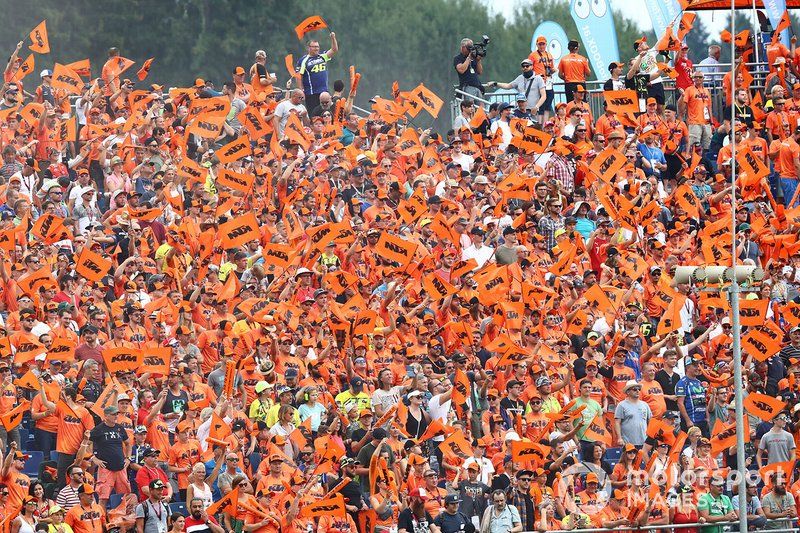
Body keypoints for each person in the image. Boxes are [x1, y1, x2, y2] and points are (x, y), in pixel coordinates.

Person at [89, 404, 131, 508]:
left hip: (121, 467)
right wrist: (93, 458)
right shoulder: (98, 429)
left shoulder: (120, 428)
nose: (116, 416)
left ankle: (122, 521)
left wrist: (128, 458)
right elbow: (87, 443)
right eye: (113, 414)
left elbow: (128, 443)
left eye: (117, 414)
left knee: (125, 496)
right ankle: (102, 521)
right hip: (106, 468)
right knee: (103, 498)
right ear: (106, 416)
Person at [296, 32, 339, 112]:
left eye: (318, 47)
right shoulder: (303, 60)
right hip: (311, 93)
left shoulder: (322, 56)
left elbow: (334, 49)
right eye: (314, 47)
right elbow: (298, 76)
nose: (317, 49)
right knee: (314, 114)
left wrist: (333, 37)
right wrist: (301, 91)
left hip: (324, 92)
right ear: (309, 48)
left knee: (327, 113)